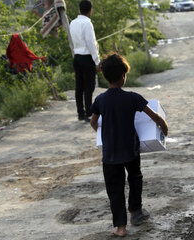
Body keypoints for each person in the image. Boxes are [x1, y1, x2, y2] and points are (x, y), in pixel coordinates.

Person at [90, 53, 169, 237]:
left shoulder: (100, 100)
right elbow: (155, 116)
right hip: (130, 150)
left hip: (110, 154)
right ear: (123, 76)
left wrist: (104, 136)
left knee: (114, 188)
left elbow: (94, 123)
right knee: (135, 178)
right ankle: (136, 212)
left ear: (106, 76)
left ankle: (120, 227)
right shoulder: (133, 97)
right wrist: (164, 126)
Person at [69, 0, 100, 122]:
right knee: (89, 87)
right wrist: (97, 61)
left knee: (79, 86)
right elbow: (91, 43)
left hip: (77, 56)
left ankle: (80, 113)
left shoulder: (73, 23)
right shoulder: (87, 23)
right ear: (90, 10)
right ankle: (88, 112)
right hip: (87, 57)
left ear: (79, 10)